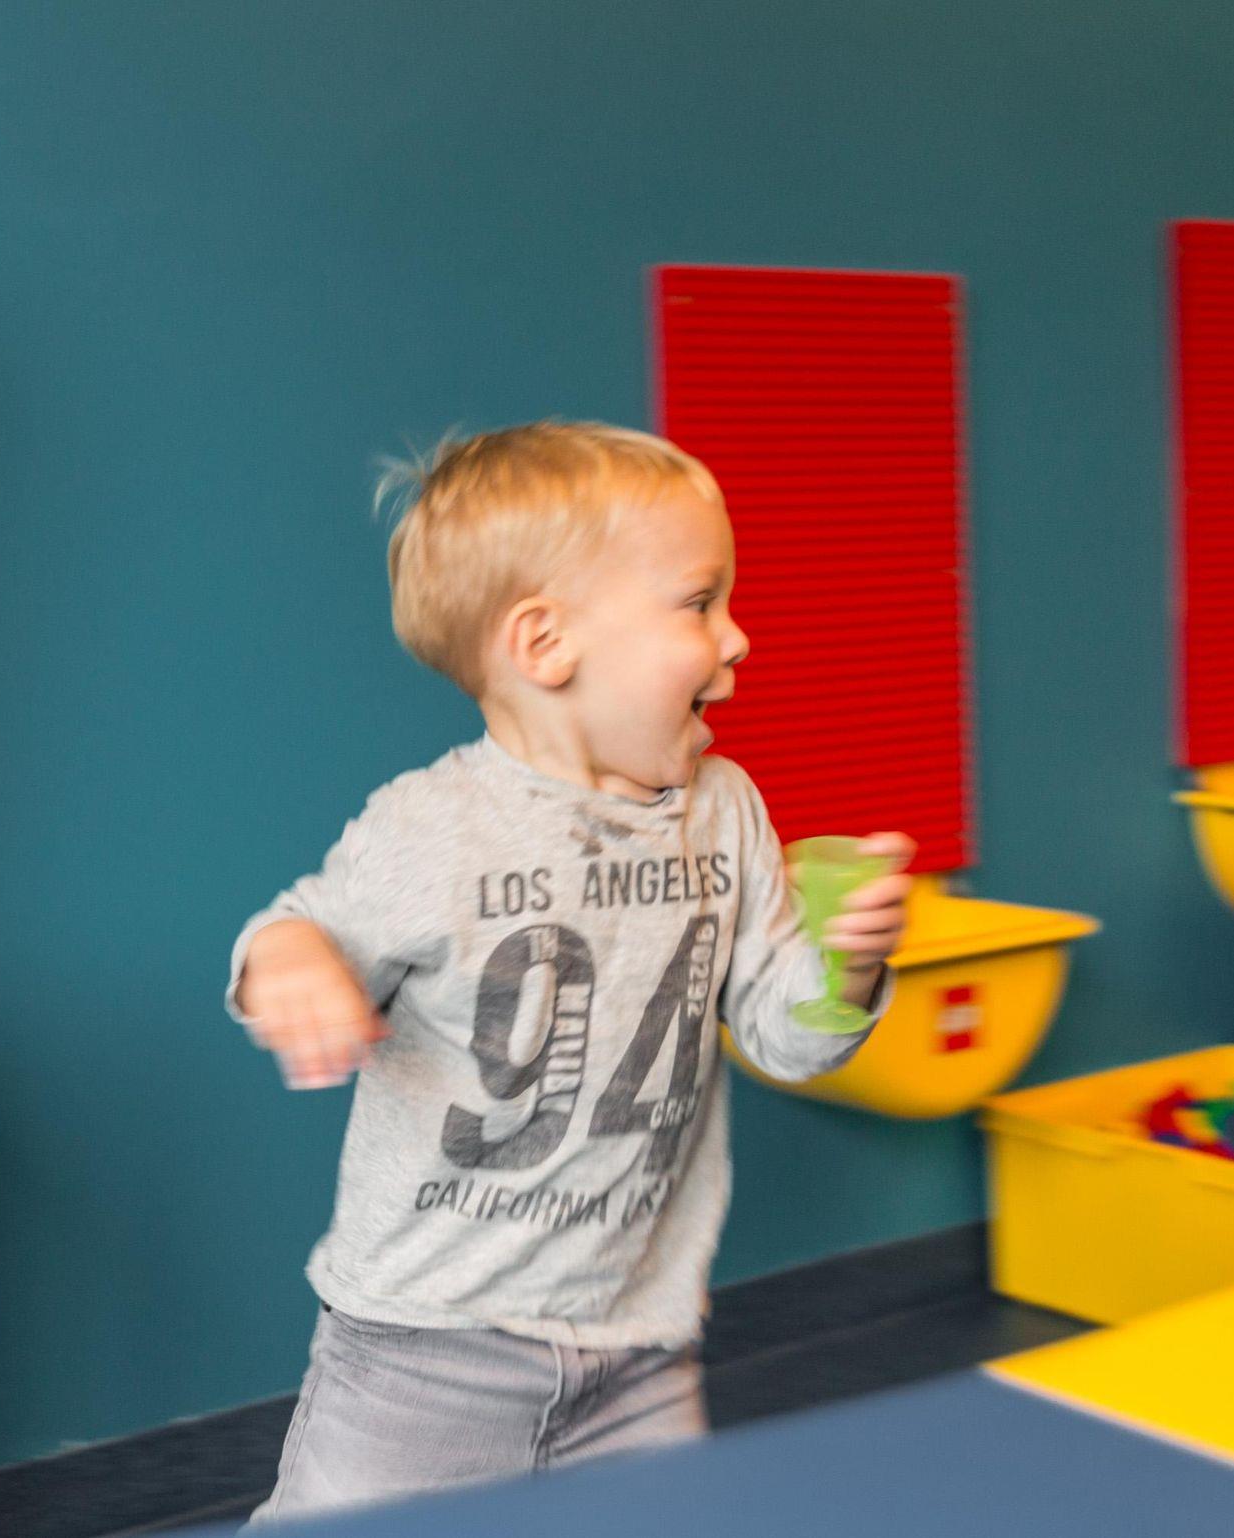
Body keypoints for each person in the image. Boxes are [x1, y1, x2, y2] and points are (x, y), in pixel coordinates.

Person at [227, 421, 912, 1522]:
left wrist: (845, 970)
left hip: (637, 1344)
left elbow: (784, 1037)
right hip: (424, 1350)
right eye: (699, 603)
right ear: (545, 644)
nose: (737, 637)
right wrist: (293, 962)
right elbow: (293, 925)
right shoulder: (433, 827)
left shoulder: (724, 812)